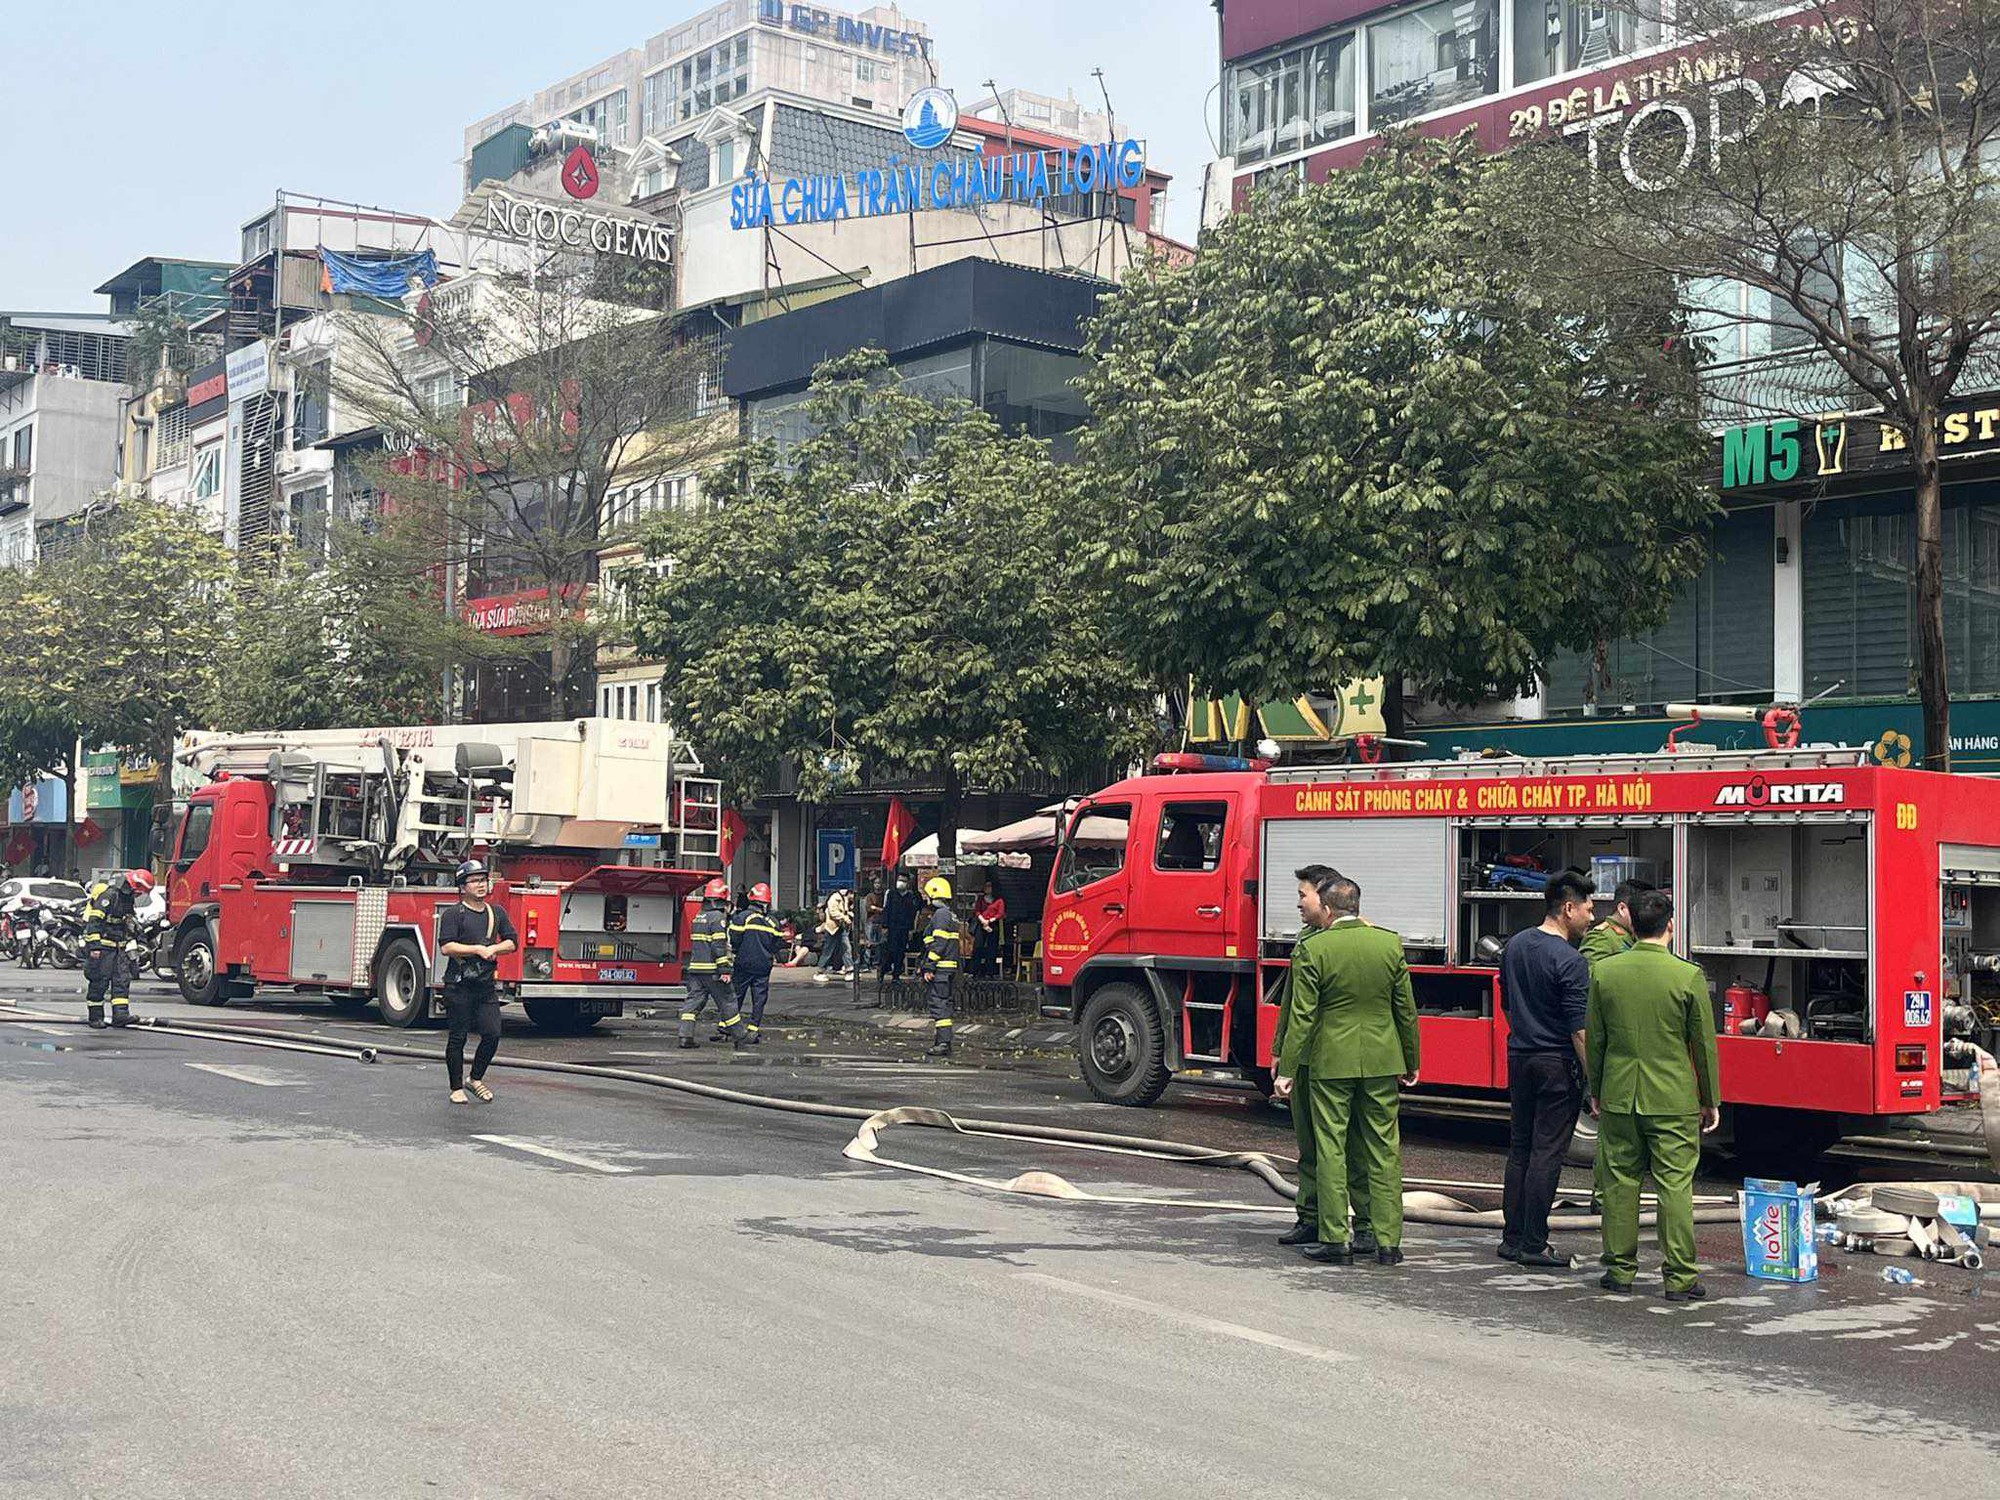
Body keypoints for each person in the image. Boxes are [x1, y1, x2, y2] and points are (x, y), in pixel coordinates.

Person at [1274, 874, 1420, 1266]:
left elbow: (1301, 1015)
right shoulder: (1388, 943)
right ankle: (1388, 1242)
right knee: (1384, 1150)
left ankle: (1336, 1238)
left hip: (1330, 1061)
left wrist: (1286, 1068)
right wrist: (1411, 1059)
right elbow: (1405, 1010)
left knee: (1331, 1147)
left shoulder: (1315, 949)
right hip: (1381, 1060)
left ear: (1327, 908)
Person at [1587, 888, 1721, 1300]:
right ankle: (1680, 1278)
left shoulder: (1606, 972)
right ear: (1671, 926)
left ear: (1631, 922)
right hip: (1672, 1098)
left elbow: (1596, 1039)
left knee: (1620, 1183)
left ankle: (1619, 1271)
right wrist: (1709, 1098)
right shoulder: (1687, 975)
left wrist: (1597, 1090)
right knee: (1674, 1186)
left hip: (1620, 1094)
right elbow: (1703, 1044)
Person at [1274, 865, 1378, 1253]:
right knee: (1310, 1145)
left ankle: (1363, 1225)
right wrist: (1280, 1052)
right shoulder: (1305, 940)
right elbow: (1290, 1003)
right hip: (1305, 1057)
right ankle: (1311, 1215)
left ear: (1326, 899)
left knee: (1351, 1148)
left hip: (1334, 1059)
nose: (1299, 903)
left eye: (1304, 895)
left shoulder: (1358, 938)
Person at [1497, 870, 1596, 1267]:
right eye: (1588, 909)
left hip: (1520, 1057)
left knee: (1520, 1148)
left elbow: (1506, 1005)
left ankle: (1512, 1237)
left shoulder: (1515, 946)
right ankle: (1535, 1244)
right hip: (1557, 1064)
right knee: (1547, 1154)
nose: (1592, 917)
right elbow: (1580, 1032)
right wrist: (1593, 1081)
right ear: (1568, 908)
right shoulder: (1571, 961)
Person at [439, 859, 518, 1105]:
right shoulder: (454, 914)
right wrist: (477, 949)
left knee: (492, 1033)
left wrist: (495, 948)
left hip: (485, 986)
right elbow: (446, 947)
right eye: (474, 881)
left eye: (483, 880)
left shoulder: (497, 913)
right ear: (463, 887)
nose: (481, 885)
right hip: (459, 985)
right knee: (458, 1037)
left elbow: (512, 941)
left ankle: (475, 1078)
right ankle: (455, 1087)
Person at [81, 868, 154, 1029]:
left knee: (121, 981)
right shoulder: (109, 896)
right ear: (133, 886)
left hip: (120, 948)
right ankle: (95, 1017)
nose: (139, 896)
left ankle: (120, 1015)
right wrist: (94, 947)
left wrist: (138, 938)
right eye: (139, 892)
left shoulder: (127, 898)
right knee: (99, 982)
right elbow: (94, 921)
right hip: (104, 948)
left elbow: (128, 921)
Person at [680, 878, 744, 1049]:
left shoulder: (698, 917)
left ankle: (685, 1036)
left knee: (693, 1003)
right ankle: (740, 1035)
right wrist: (724, 969)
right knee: (728, 1001)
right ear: (721, 900)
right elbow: (718, 945)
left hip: (696, 970)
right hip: (712, 971)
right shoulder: (717, 918)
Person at [729, 882, 782, 1045]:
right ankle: (753, 1029)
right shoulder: (773, 922)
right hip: (763, 966)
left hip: (744, 963)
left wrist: (737, 951)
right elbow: (777, 943)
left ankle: (730, 1027)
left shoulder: (742, 917)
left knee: (736, 995)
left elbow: (734, 938)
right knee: (759, 999)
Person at [919, 875, 961, 1056]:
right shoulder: (949, 914)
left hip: (941, 970)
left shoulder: (941, 915)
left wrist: (930, 966)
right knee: (944, 1004)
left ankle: (943, 1044)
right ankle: (942, 1041)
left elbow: (939, 943)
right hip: (948, 968)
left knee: (939, 1005)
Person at [1579, 879, 1651, 967]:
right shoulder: (1601, 938)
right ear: (1622, 909)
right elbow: (1591, 975)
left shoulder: (1634, 935)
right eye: (1641, 911)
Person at [880, 872, 919, 980]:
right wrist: (885, 926)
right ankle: (883, 970)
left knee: (900, 952)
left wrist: (911, 929)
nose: (901, 883)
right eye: (899, 880)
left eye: (903, 881)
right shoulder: (892, 894)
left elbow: (912, 913)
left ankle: (896, 975)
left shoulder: (910, 896)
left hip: (904, 928)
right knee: (890, 951)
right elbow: (887, 910)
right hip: (892, 928)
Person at [815, 886, 856, 983]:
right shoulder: (834, 898)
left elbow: (843, 911)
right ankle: (820, 971)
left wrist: (848, 914)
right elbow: (833, 912)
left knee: (846, 948)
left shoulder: (843, 898)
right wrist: (845, 918)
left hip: (841, 927)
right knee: (828, 950)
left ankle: (849, 970)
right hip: (832, 928)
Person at [972, 877, 1006, 978]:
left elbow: (1001, 913)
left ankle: (990, 972)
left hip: (993, 925)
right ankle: (975, 971)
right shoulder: (981, 899)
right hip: (981, 923)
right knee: (978, 947)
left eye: (989, 886)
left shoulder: (999, 901)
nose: (986, 888)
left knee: (992, 949)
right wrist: (983, 920)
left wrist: (990, 921)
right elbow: (977, 910)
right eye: (985, 886)